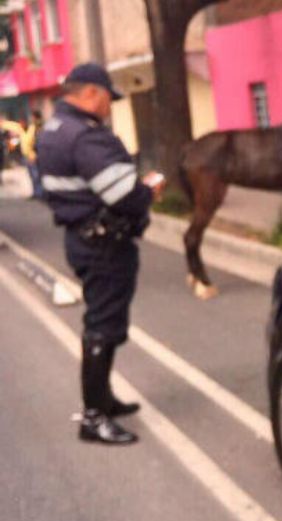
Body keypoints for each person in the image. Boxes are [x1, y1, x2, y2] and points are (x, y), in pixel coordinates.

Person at [37, 63, 165, 445]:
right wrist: (148, 191)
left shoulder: (53, 130)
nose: (110, 105)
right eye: (109, 97)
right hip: (104, 245)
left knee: (103, 322)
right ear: (91, 92)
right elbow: (124, 196)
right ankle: (93, 417)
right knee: (102, 327)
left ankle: (103, 399)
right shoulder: (87, 137)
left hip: (83, 238)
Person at [22, 110, 43, 198]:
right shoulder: (32, 126)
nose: (31, 118)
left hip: (33, 156)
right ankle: (36, 193)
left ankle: (40, 193)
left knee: (36, 175)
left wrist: (35, 154)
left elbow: (38, 142)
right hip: (29, 155)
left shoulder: (38, 126)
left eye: (32, 116)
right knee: (33, 176)